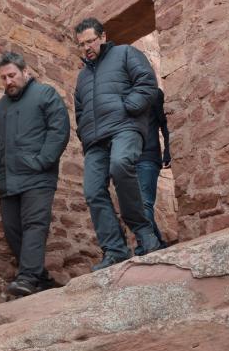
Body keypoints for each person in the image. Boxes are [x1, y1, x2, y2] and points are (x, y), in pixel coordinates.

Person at [72, 17, 162, 271]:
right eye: (82, 44)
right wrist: (84, 132)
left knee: (121, 165)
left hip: (125, 127)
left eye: (90, 41)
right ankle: (114, 250)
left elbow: (147, 82)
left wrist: (128, 107)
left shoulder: (125, 53)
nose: (87, 47)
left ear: (102, 37)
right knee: (92, 191)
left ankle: (144, 232)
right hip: (94, 140)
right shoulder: (81, 78)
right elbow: (79, 109)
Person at [0, 51, 70, 297]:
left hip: (38, 177)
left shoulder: (45, 94)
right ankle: (40, 277)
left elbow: (59, 129)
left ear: (25, 72)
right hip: (8, 181)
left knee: (35, 225)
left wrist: (43, 161)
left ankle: (27, 277)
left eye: (12, 75)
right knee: (13, 230)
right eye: (3, 78)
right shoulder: (0, 107)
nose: (8, 81)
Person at [134, 88, 172, 256]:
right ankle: (156, 243)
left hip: (148, 156)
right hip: (127, 159)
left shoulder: (154, 94)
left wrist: (168, 150)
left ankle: (147, 245)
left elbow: (164, 122)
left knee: (144, 203)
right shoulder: (120, 92)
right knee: (135, 206)